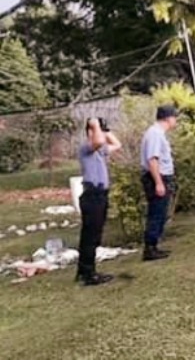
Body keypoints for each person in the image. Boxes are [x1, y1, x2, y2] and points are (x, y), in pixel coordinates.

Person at [75, 118, 122, 286]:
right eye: (97, 131)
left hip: (100, 194)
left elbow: (117, 145)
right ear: (89, 132)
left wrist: (105, 129)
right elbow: (98, 140)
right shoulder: (86, 148)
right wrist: (94, 123)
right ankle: (88, 274)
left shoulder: (100, 150)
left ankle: (84, 271)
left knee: (93, 236)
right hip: (92, 195)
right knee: (90, 236)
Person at [140, 105, 178, 261]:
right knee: (156, 213)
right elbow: (152, 159)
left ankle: (154, 246)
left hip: (160, 176)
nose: (176, 120)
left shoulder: (157, 133)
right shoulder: (155, 134)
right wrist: (159, 182)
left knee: (160, 213)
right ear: (168, 118)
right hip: (156, 176)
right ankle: (150, 248)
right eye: (175, 117)